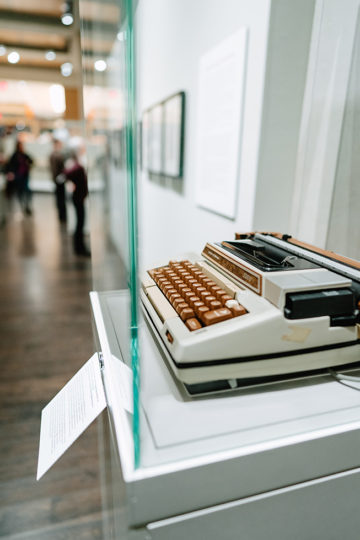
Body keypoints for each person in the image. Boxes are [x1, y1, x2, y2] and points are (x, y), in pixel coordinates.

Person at [64, 150, 90, 256]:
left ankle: (79, 247)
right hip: (78, 198)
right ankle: (79, 248)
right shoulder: (78, 168)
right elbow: (65, 175)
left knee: (80, 223)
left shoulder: (77, 167)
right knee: (80, 223)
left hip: (79, 198)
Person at [4, 140, 33, 215]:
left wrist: (28, 164)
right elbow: (10, 166)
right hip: (18, 176)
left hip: (24, 176)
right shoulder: (15, 156)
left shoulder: (24, 154)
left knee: (27, 191)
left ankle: (27, 206)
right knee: (20, 192)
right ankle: (23, 206)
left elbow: (31, 160)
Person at [49, 139, 67, 224]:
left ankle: (62, 215)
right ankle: (62, 215)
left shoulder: (54, 155)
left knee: (60, 198)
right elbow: (56, 168)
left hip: (57, 178)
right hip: (59, 179)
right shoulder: (56, 155)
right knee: (61, 198)